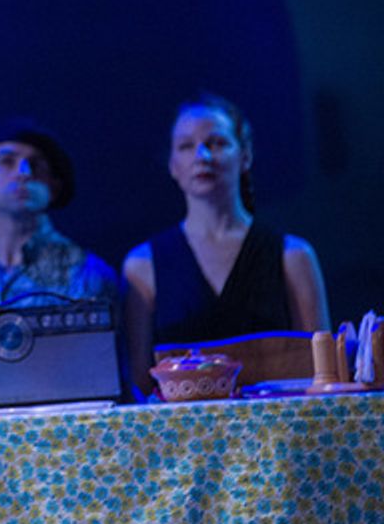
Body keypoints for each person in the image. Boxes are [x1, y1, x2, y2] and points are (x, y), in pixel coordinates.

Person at [122, 93, 330, 396]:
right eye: (186, 146)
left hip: (277, 431)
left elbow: (322, 368)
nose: (202, 156)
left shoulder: (293, 255)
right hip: (180, 436)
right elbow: (139, 382)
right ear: (173, 164)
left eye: (217, 143)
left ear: (244, 156)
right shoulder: (142, 265)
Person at [0, 118, 117, 307]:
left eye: (36, 165)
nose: (23, 173)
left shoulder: (85, 273)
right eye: (7, 162)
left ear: (54, 188)